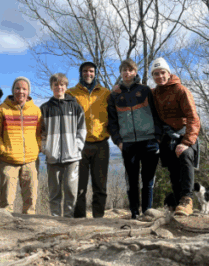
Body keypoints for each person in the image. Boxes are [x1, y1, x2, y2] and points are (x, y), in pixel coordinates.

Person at [107, 59, 162, 220]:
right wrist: (118, 141)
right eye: (124, 70)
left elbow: (156, 113)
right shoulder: (115, 95)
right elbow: (112, 121)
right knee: (132, 181)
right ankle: (134, 213)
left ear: (135, 72)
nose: (127, 73)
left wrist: (158, 138)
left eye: (130, 70)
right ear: (121, 73)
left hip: (149, 141)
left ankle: (147, 212)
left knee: (148, 180)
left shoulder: (145, 91)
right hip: (128, 143)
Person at [150, 57, 201, 216]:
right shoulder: (154, 93)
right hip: (167, 136)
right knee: (172, 169)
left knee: (184, 156)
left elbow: (193, 117)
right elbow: (137, 94)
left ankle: (187, 199)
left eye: (162, 73)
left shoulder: (181, 90)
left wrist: (186, 142)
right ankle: (180, 203)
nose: (160, 76)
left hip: (184, 134)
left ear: (168, 73)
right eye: (156, 74)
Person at [39, 73, 87, 218]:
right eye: (56, 85)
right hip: (52, 158)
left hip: (72, 157)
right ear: (52, 87)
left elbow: (82, 129)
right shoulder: (45, 108)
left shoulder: (75, 107)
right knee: (54, 192)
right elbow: (41, 132)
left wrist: (77, 146)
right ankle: (55, 218)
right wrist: (45, 149)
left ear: (66, 87)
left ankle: (68, 219)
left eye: (61, 85)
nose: (59, 87)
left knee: (71, 191)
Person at [0, 77, 42, 214]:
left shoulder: (36, 110)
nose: (21, 91)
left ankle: (29, 229)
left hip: (30, 161)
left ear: (28, 91)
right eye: (17, 88)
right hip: (8, 161)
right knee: (6, 203)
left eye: (24, 89)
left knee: (31, 201)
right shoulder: (2, 110)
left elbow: (39, 133)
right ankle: (6, 231)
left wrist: (37, 148)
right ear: (13, 90)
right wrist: (2, 150)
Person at [68, 61, 111, 218]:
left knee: (100, 186)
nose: (88, 74)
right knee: (79, 186)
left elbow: (113, 114)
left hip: (101, 144)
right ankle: (79, 219)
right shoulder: (71, 93)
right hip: (79, 145)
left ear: (95, 73)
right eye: (85, 71)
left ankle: (98, 218)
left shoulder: (105, 93)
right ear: (81, 73)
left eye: (91, 71)